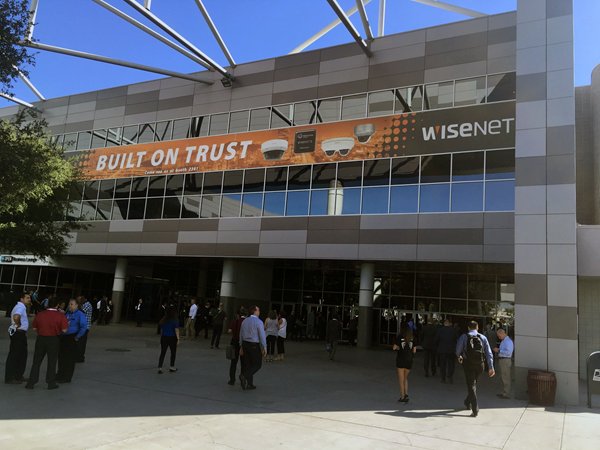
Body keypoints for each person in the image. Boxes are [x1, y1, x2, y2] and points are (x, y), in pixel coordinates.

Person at [25, 297, 68, 390]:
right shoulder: (60, 316)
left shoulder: (40, 314)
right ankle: (50, 383)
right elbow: (64, 330)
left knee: (36, 361)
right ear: (57, 305)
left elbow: (34, 328)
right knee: (52, 362)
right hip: (53, 340)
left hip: (41, 339)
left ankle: (31, 382)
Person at [456, 321, 495, 417]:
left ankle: (475, 409)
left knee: (471, 385)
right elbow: (489, 353)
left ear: (469, 328)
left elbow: (458, 350)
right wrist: (491, 367)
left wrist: (460, 356)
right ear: (477, 328)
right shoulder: (483, 337)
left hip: (468, 364)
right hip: (480, 365)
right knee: (473, 384)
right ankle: (467, 402)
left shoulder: (464, 336)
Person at [56, 299, 88, 383]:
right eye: (69, 304)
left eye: (72, 304)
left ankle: (66, 377)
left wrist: (77, 337)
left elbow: (84, 326)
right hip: (64, 337)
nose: (70, 306)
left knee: (69, 359)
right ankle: (60, 374)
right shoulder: (67, 314)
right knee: (61, 357)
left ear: (77, 305)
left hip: (72, 337)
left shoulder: (80, 314)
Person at [5, 292, 31, 384]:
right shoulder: (21, 307)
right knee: (15, 355)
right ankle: (11, 377)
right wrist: (18, 324)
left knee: (21, 355)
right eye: (27, 298)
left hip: (18, 333)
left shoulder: (20, 307)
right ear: (21, 299)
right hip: (18, 333)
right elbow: (16, 316)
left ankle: (18, 375)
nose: (29, 299)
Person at [239, 305, 266, 390]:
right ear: (254, 311)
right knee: (257, 364)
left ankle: (249, 383)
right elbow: (262, 335)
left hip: (245, 344)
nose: (259, 312)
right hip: (254, 345)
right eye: (258, 310)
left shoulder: (245, 321)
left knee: (248, 364)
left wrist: (241, 346)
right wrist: (264, 347)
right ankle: (244, 376)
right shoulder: (259, 322)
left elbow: (241, 334)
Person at [393, 328, 417, 402]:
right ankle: (406, 394)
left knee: (401, 379)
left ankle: (402, 397)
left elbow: (394, 347)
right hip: (409, 361)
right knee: (405, 378)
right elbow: (414, 350)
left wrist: (399, 348)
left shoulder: (400, 337)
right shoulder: (413, 338)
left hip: (400, 360)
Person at [157, 305, 180, 374]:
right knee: (173, 352)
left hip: (164, 337)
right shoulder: (175, 320)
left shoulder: (164, 319)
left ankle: (160, 367)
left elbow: (161, 328)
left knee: (163, 352)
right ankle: (171, 367)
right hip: (172, 338)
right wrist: (178, 339)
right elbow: (176, 330)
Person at [227, 307, 246, 385]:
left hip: (234, 342)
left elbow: (229, 331)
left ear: (238, 314)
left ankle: (232, 380)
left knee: (233, 362)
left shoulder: (234, 321)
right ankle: (242, 377)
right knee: (243, 362)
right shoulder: (246, 322)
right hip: (243, 344)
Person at [493, 328, 514, 399]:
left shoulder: (508, 341)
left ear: (502, 333)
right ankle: (504, 392)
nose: (499, 337)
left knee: (506, 377)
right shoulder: (504, 341)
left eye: (499, 336)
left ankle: (506, 393)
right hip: (503, 360)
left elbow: (508, 352)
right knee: (504, 377)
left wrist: (499, 350)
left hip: (505, 360)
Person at [436, 319, 457, 384]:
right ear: (449, 323)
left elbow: (436, 339)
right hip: (451, 350)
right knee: (451, 364)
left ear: (444, 323)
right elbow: (456, 339)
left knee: (443, 365)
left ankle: (443, 378)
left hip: (442, 350)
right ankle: (450, 376)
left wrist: (438, 347)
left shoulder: (440, 330)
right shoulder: (453, 330)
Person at [76, 296, 93, 363]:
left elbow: (80, 311)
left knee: (81, 343)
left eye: (79, 300)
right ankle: (79, 357)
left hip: (84, 327)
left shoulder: (87, 305)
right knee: (80, 343)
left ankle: (80, 357)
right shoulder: (84, 304)